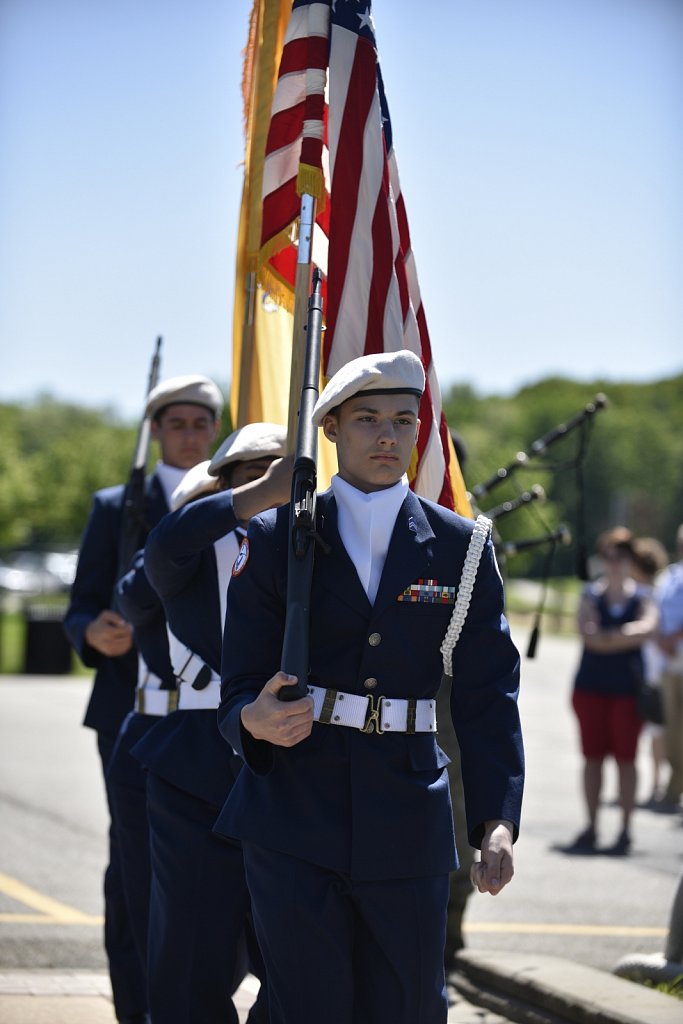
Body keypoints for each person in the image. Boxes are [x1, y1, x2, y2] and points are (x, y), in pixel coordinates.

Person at [215, 350, 524, 1024]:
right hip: (294, 803)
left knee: (408, 1004)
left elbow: (487, 693)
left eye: (402, 421)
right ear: (329, 428)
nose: (387, 436)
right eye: (366, 420)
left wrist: (496, 821)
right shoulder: (273, 538)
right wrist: (251, 718)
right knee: (305, 1004)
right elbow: (237, 679)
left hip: (407, 808)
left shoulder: (461, 547)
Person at [63, 374, 222, 1024]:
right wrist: (93, 631)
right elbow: (82, 604)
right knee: (134, 863)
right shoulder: (115, 506)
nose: (189, 435)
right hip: (128, 708)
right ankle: (137, 1008)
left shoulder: (230, 500)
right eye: (176, 423)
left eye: (200, 423)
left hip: (212, 714)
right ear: (154, 431)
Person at [130, 423, 291, 1024]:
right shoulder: (193, 551)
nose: (274, 481)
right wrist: (260, 494)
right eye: (253, 470)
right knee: (193, 950)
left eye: (283, 470)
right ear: (220, 484)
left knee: (297, 954)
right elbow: (165, 544)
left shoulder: (312, 544)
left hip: (294, 762)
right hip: (199, 764)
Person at [565, 527, 658, 857]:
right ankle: (591, 826)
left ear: (632, 560)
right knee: (592, 758)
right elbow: (588, 634)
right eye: (610, 556)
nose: (616, 563)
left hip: (627, 692)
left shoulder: (643, 596)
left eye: (622, 557)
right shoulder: (591, 594)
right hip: (591, 688)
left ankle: (626, 829)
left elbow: (647, 629)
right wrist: (622, 637)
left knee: (627, 760)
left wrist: (608, 636)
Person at [631, 536, 670, 806]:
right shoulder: (660, 591)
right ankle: (657, 780)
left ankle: (657, 781)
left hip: (650, 669)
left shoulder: (643, 596)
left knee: (655, 730)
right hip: (654, 667)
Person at [655, 523, 683, 811]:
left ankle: (675, 788)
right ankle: (674, 786)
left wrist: (674, 636)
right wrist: (660, 638)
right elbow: (657, 610)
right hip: (669, 665)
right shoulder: (670, 577)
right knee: (671, 730)